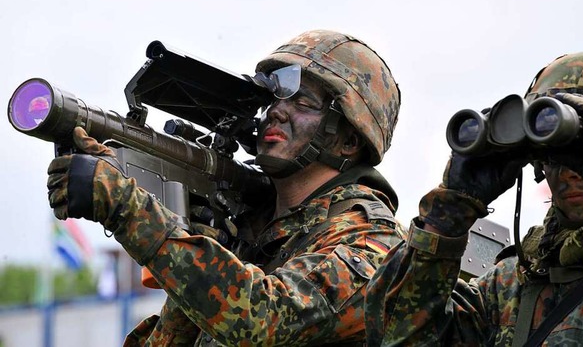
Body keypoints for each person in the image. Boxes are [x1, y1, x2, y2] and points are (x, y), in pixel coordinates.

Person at [46, 30, 405, 346]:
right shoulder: (254, 233)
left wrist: (130, 210)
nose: (276, 113)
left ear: (348, 140)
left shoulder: (374, 242)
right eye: (274, 100)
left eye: (303, 103)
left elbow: (264, 322)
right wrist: (201, 253)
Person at [365, 50, 583, 346]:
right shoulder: (511, 284)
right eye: (558, 153)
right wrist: (446, 216)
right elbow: (395, 336)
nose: (572, 172)